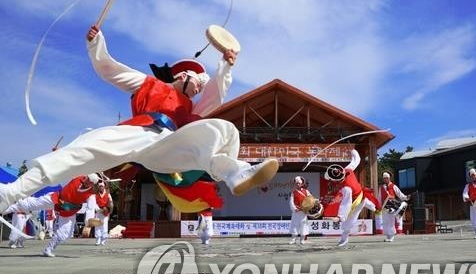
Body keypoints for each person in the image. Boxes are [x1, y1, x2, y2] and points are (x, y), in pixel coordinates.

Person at [0, 25, 279, 214]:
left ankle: (237, 173)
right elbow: (111, 70)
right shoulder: (148, 84)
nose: (200, 89)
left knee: (220, 129)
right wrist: (96, 43)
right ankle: (10, 194)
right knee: (79, 150)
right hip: (138, 133)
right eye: (198, 83)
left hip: (169, 147)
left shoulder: (192, 107)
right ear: (183, 75)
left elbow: (216, 94)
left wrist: (226, 65)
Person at [3, 174, 100, 257]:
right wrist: (58, 153)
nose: (86, 181)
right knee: (29, 205)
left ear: (92, 184)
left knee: (65, 234)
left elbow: (90, 209)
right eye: (87, 178)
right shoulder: (78, 177)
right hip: (56, 198)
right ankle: (5, 206)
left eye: (89, 181)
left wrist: (88, 223)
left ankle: (48, 249)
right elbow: (68, 166)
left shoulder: (90, 195)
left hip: (68, 210)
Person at [323, 149, 380, 247]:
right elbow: (356, 161)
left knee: (350, 220)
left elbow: (346, 203)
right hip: (359, 197)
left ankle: (344, 239)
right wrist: (354, 152)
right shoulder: (347, 172)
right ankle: (376, 210)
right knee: (366, 204)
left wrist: (340, 217)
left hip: (357, 200)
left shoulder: (346, 186)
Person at [378, 171, 410, 242]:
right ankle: (387, 236)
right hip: (384, 207)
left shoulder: (394, 186)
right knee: (385, 221)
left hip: (392, 206)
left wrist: (406, 197)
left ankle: (392, 236)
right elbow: (379, 198)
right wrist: (378, 206)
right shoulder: (381, 187)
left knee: (391, 221)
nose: (385, 179)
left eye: (386, 178)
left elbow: (400, 194)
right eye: (384, 178)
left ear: (389, 178)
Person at [289, 176, 311, 245]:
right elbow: (291, 202)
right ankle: (293, 239)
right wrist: (295, 208)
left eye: (299, 183)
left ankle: (302, 239)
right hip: (296, 211)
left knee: (303, 225)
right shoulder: (293, 192)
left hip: (303, 211)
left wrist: (308, 207)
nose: (297, 184)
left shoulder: (306, 191)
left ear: (302, 184)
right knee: (294, 225)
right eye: (296, 183)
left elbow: (310, 199)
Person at [93, 180, 113, 245]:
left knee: (104, 226)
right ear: (98, 187)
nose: (101, 188)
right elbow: (94, 203)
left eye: (102, 186)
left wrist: (109, 210)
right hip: (98, 212)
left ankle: (103, 239)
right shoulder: (95, 195)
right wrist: (98, 209)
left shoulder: (108, 194)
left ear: (104, 187)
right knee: (97, 225)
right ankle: (98, 239)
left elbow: (110, 203)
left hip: (105, 212)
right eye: (100, 187)